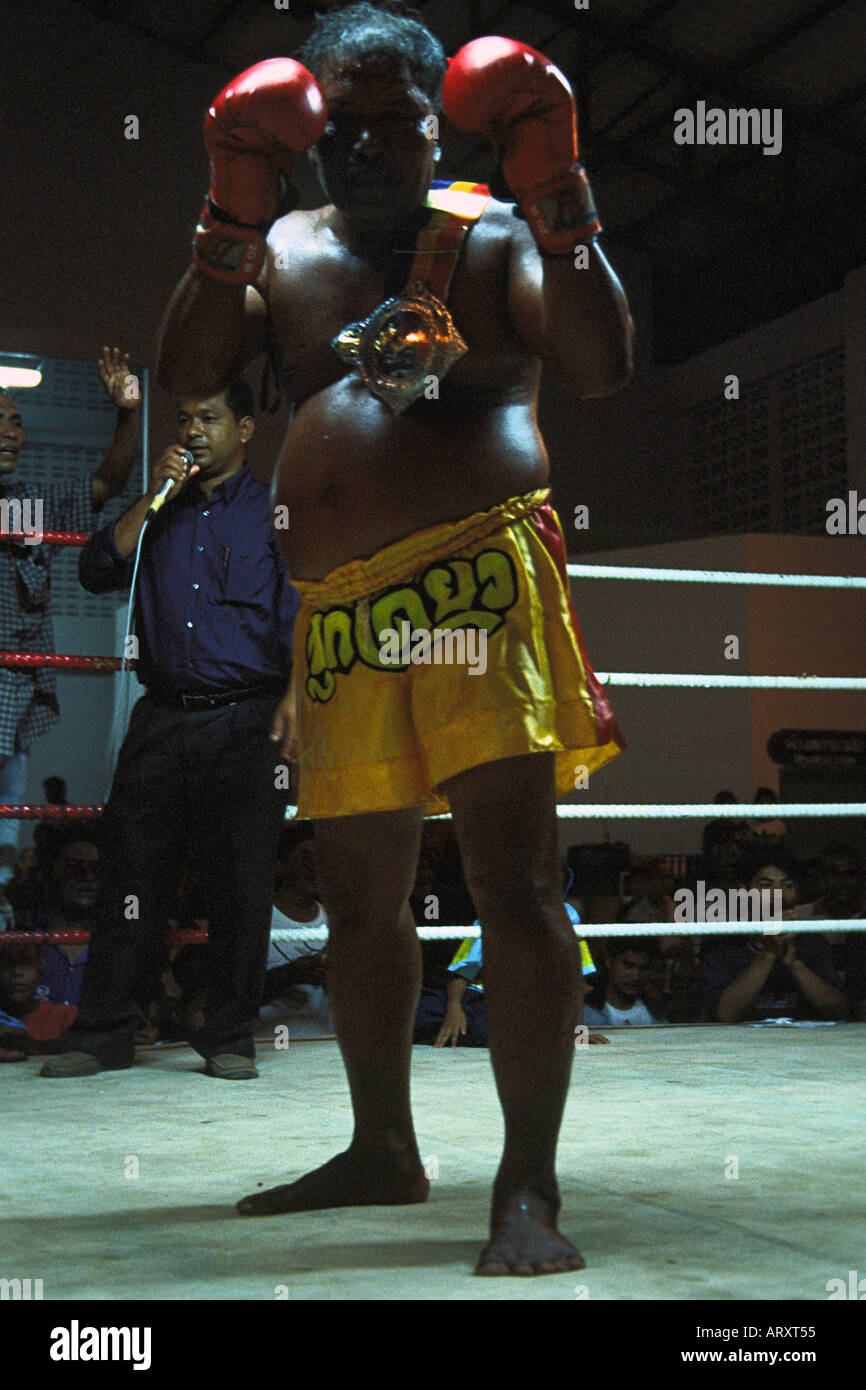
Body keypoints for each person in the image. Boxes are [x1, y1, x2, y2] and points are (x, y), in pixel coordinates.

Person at [158, 4, 631, 1275]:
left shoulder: (486, 235)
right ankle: (382, 1146)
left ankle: (524, 1188)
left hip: (474, 582)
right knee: (362, 901)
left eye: (394, 122)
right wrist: (229, 207)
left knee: (514, 886)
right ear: (305, 133)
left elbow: (598, 362)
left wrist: (557, 188)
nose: (366, 147)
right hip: (342, 612)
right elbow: (188, 378)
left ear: (440, 121)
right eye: (341, 126)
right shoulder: (286, 246)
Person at [39, 381, 300, 1081]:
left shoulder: (274, 510)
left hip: (250, 717)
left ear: (244, 428)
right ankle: (104, 1034)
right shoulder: (159, 507)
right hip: (161, 714)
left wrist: (299, 696)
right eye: (184, 419)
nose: (192, 431)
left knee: (242, 882)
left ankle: (230, 1037)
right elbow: (96, 570)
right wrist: (152, 497)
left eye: (209, 419)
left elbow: (303, 609)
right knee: (131, 876)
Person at [0, 348, 140, 890]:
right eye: (0, 421)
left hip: (12, 699)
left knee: (8, 816)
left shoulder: (23, 509)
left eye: (17, 422)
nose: (13, 433)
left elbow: (103, 484)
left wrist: (127, 411)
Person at [700, 850, 846, 1023]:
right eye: (766, 885)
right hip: (740, 1047)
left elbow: (839, 1012)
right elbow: (725, 1014)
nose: (779, 895)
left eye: (788, 885)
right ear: (744, 891)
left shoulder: (812, 941)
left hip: (803, 1045)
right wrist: (768, 954)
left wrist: (795, 963)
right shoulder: (722, 942)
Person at [584, 938, 665, 1027]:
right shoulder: (585, 1011)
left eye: (643, 968)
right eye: (628, 966)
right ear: (609, 962)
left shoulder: (659, 1011)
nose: (635, 976)